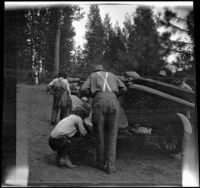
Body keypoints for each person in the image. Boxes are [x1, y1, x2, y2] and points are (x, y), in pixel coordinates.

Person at [80, 64, 127, 174]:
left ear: (95, 70)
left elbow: (83, 89)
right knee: (112, 136)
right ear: (103, 69)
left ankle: (100, 163)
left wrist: (92, 94)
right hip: (113, 101)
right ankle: (110, 166)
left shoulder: (92, 75)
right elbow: (124, 88)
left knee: (99, 134)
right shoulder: (112, 75)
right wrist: (114, 95)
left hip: (99, 101)